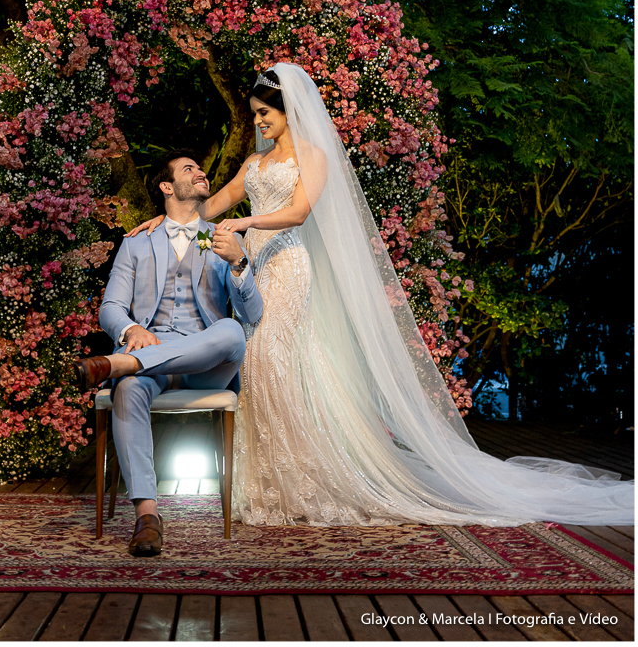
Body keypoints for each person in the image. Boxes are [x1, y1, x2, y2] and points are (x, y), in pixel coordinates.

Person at [127, 62, 633, 529]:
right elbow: (212, 204)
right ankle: (264, 482)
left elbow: (300, 212)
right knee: (256, 361)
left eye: (265, 114)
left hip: (285, 264)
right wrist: (168, 218)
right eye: (256, 115)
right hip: (249, 268)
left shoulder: (314, 156)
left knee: (270, 355)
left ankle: (301, 479)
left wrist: (249, 221)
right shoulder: (255, 164)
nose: (259, 122)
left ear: (287, 111)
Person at [74, 149, 263, 556]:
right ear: (166, 186)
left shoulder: (223, 238)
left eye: (201, 168)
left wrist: (239, 263)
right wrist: (130, 328)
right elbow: (110, 308)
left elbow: (252, 313)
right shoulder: (137, 243)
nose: (201, 173)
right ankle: (147, 516)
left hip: (206, 361)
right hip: (152, 352)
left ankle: (121, 364)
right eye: (189, 169)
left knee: (231, 330)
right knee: (127, 390)